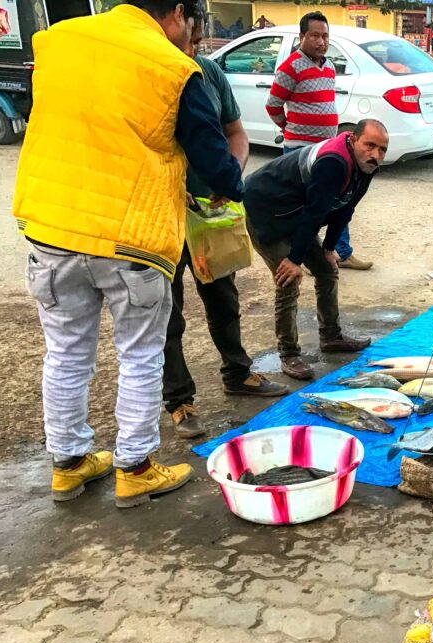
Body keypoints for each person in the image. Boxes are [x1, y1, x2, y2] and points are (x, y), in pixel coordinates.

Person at [13, 0, 245, 508]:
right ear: (180, 13)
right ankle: (135, 469)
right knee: (139, 355)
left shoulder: (58, 41)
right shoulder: (171, 67)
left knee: (66, 354)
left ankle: (69, 465)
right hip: (129, 239)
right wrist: (231, 185)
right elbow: (216, 160)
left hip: (52, 229)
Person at [164, 21, 288, 440]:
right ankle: (179, 402)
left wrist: (230, 176)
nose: (193, 47)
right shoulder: (148, 72)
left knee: (223, 297)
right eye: (189, 39)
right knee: (167, 312)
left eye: (199, 41)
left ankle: (238, 372)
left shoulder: (209, 73)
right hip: (160, 215)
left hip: (210, 213)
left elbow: (236, 134)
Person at [244, 120, 388, 381]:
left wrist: (330, 248)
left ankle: (331, 336)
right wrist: (294, 259)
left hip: (298, 213)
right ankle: (288, 353)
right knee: (288, 279)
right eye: (370, 145)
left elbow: (345, 208)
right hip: (266, 211)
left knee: (327, 269)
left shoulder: (368, 165)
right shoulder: (333, 162)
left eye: (382, 149)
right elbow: (316, 211)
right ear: (354, 140)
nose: (375, 155)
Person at [267, 12, 373, 271]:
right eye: (314, 36)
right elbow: (273, 106)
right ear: (302, 36)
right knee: (305, 206)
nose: (321, 42)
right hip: (300, 150)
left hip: (328, 149)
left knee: (340, 200)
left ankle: (341, 251)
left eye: (325, 36)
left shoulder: (328, 67)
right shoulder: (289, 67)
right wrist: (290, 128)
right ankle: (298, 255)